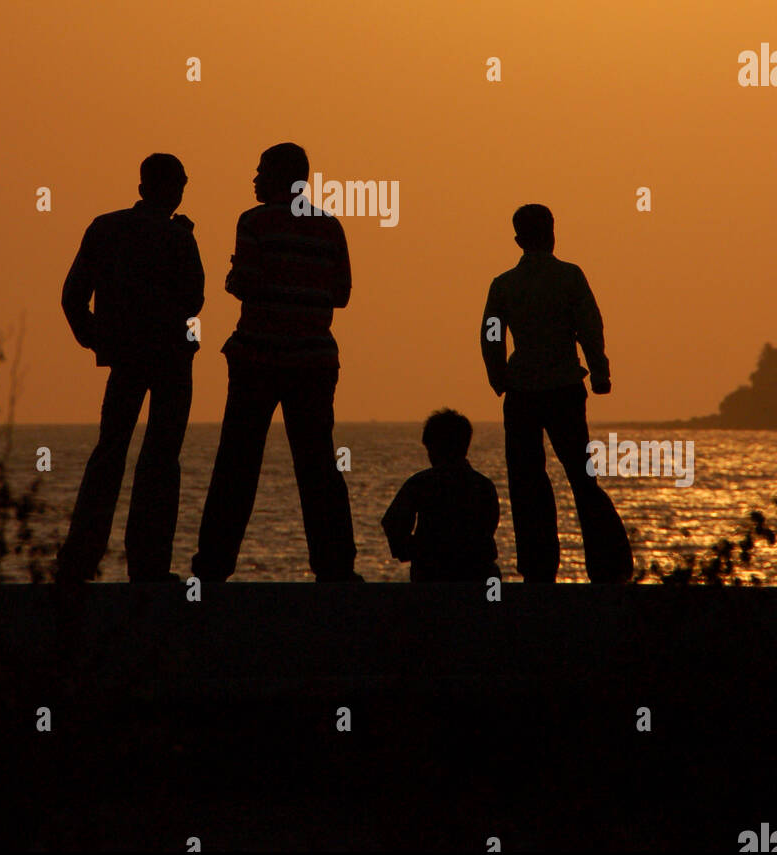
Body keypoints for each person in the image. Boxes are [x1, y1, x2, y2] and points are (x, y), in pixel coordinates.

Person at [191, 142, 359, 581]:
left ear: (279, 177)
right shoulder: (329, 226)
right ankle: (335, 567)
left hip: (257, 356)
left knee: (237, 464)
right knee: (318, 466)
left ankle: (212, 567)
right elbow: (341, 294)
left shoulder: (254, 222)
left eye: (261, 170)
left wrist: (236, 277)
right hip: (313, 360)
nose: (254, 178)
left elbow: (243, 283)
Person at [56, 153, 204, 584]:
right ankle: (148, 565)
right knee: (160, 459)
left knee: (109, 454)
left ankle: (79, 562)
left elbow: (71, 297)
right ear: (173, 189)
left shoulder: (106, 228)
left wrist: (96, 338)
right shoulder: (178, 238)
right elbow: (194, 300)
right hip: (171, 360)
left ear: (142, 189)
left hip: (125, 359)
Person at [481, 203, 632, 583]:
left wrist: (498, 376)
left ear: (518, 240)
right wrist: (599, 372)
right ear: (552, 233)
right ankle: (607, 565)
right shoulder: (569, 277)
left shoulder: (504, 285)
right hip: (564, 388)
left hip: (522, 393)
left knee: (527, 480)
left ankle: (538, 566)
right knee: (582, 476)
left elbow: (491, 335)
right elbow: (589, 327)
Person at [382, 409, 500, 582]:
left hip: (431, 572)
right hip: (476, 571)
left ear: (433, 447)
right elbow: (489, 525)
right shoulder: (483, 486)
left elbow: (393, 522)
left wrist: (414, 549)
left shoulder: (421, 483)